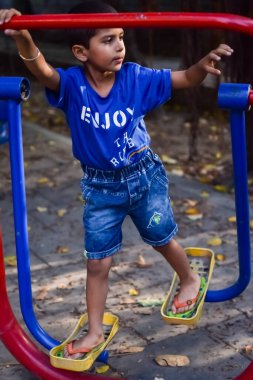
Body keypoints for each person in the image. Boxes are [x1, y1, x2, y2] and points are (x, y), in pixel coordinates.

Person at [0, 2, 233, 360]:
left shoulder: (136, 78)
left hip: (143, 176)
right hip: (100, 188)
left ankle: (189, 278)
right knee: (97, 262)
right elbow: (43, 71)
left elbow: (184, 78)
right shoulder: (73, 85)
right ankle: (94, 330)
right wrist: (24, 38)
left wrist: (201, 68)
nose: (119, 46)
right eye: (108, 40)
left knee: (161, 237)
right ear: (81, 51)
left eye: (121, 37)